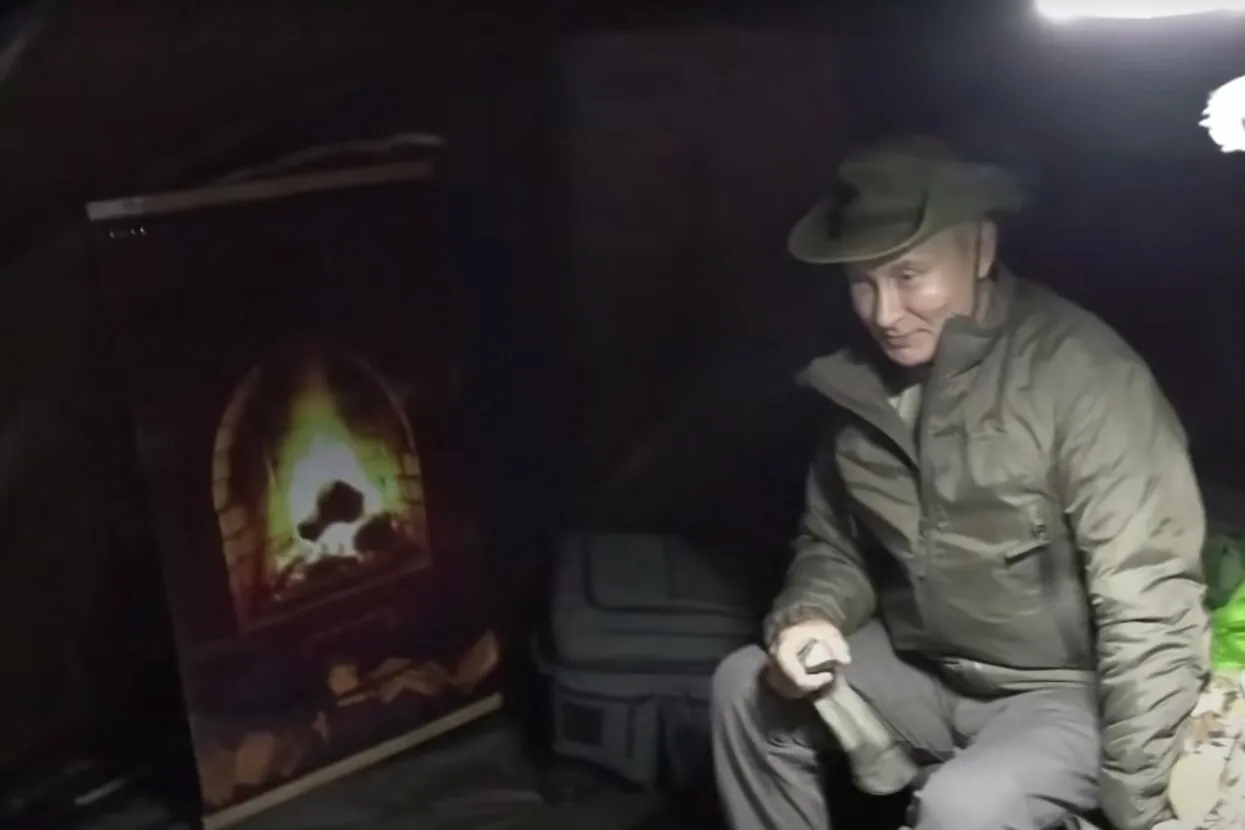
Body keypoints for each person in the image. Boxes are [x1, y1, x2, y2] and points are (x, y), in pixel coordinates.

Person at [710, 136, 1210, 830]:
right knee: (744, 686)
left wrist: (1136, 802)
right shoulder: (856, 385)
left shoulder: (1084, 374)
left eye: (909, 275)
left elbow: (1148, 598)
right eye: (861, 283)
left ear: (979, 249)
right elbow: (833, 545)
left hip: (1062, 693)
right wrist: (809, 618)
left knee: (962, 806)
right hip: (925, 672)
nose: (884, 313)